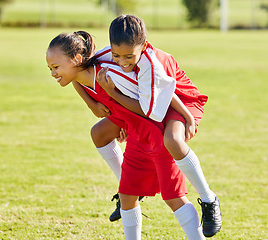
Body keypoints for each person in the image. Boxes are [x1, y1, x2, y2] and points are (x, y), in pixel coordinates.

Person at [46, 30, 206, 239]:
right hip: (138, 137)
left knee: (173, 198)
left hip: (156, 135)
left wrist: (187, 116)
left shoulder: (110, 74)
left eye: (56, 67)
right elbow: (78, 78)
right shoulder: (80, 75)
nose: (53, 73)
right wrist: (94, 105)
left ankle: (204, 214)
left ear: (77, 59)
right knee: (127, 195)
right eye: (50, 68)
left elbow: (160, 94)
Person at [93, 15, 221, 237]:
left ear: (144, 46)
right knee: (100, 132)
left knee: (171, 140)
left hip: (182, 103)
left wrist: (113, 93)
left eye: (128, 56)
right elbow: (77, 69)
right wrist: (94, 104)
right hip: (157, 103)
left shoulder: (151, 64)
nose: (122, 62)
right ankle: (127, 188)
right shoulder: (107, 55)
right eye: (117, 55)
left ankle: (209, 199)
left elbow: (148, 110)